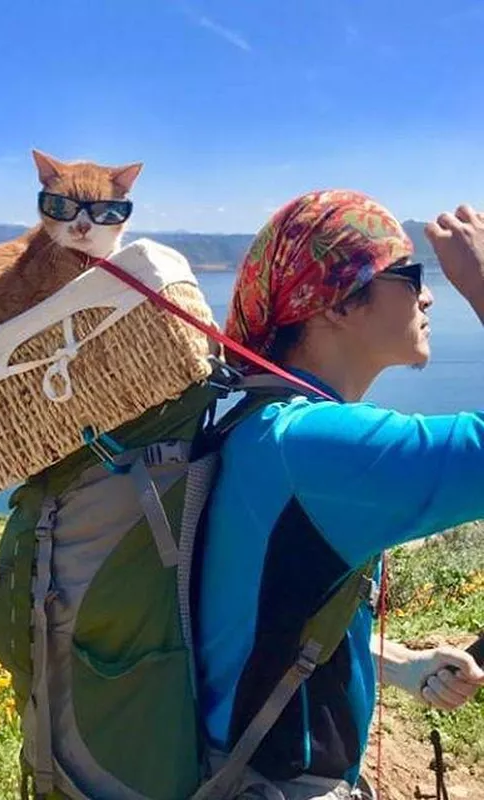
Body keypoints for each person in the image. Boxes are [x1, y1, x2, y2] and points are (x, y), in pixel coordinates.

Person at [194, 189, 484, 800]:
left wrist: (398, 664)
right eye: (410, 275)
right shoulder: (314, 446)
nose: (429, 294)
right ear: (336, 306)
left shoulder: (262, 426)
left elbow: (263, 616)